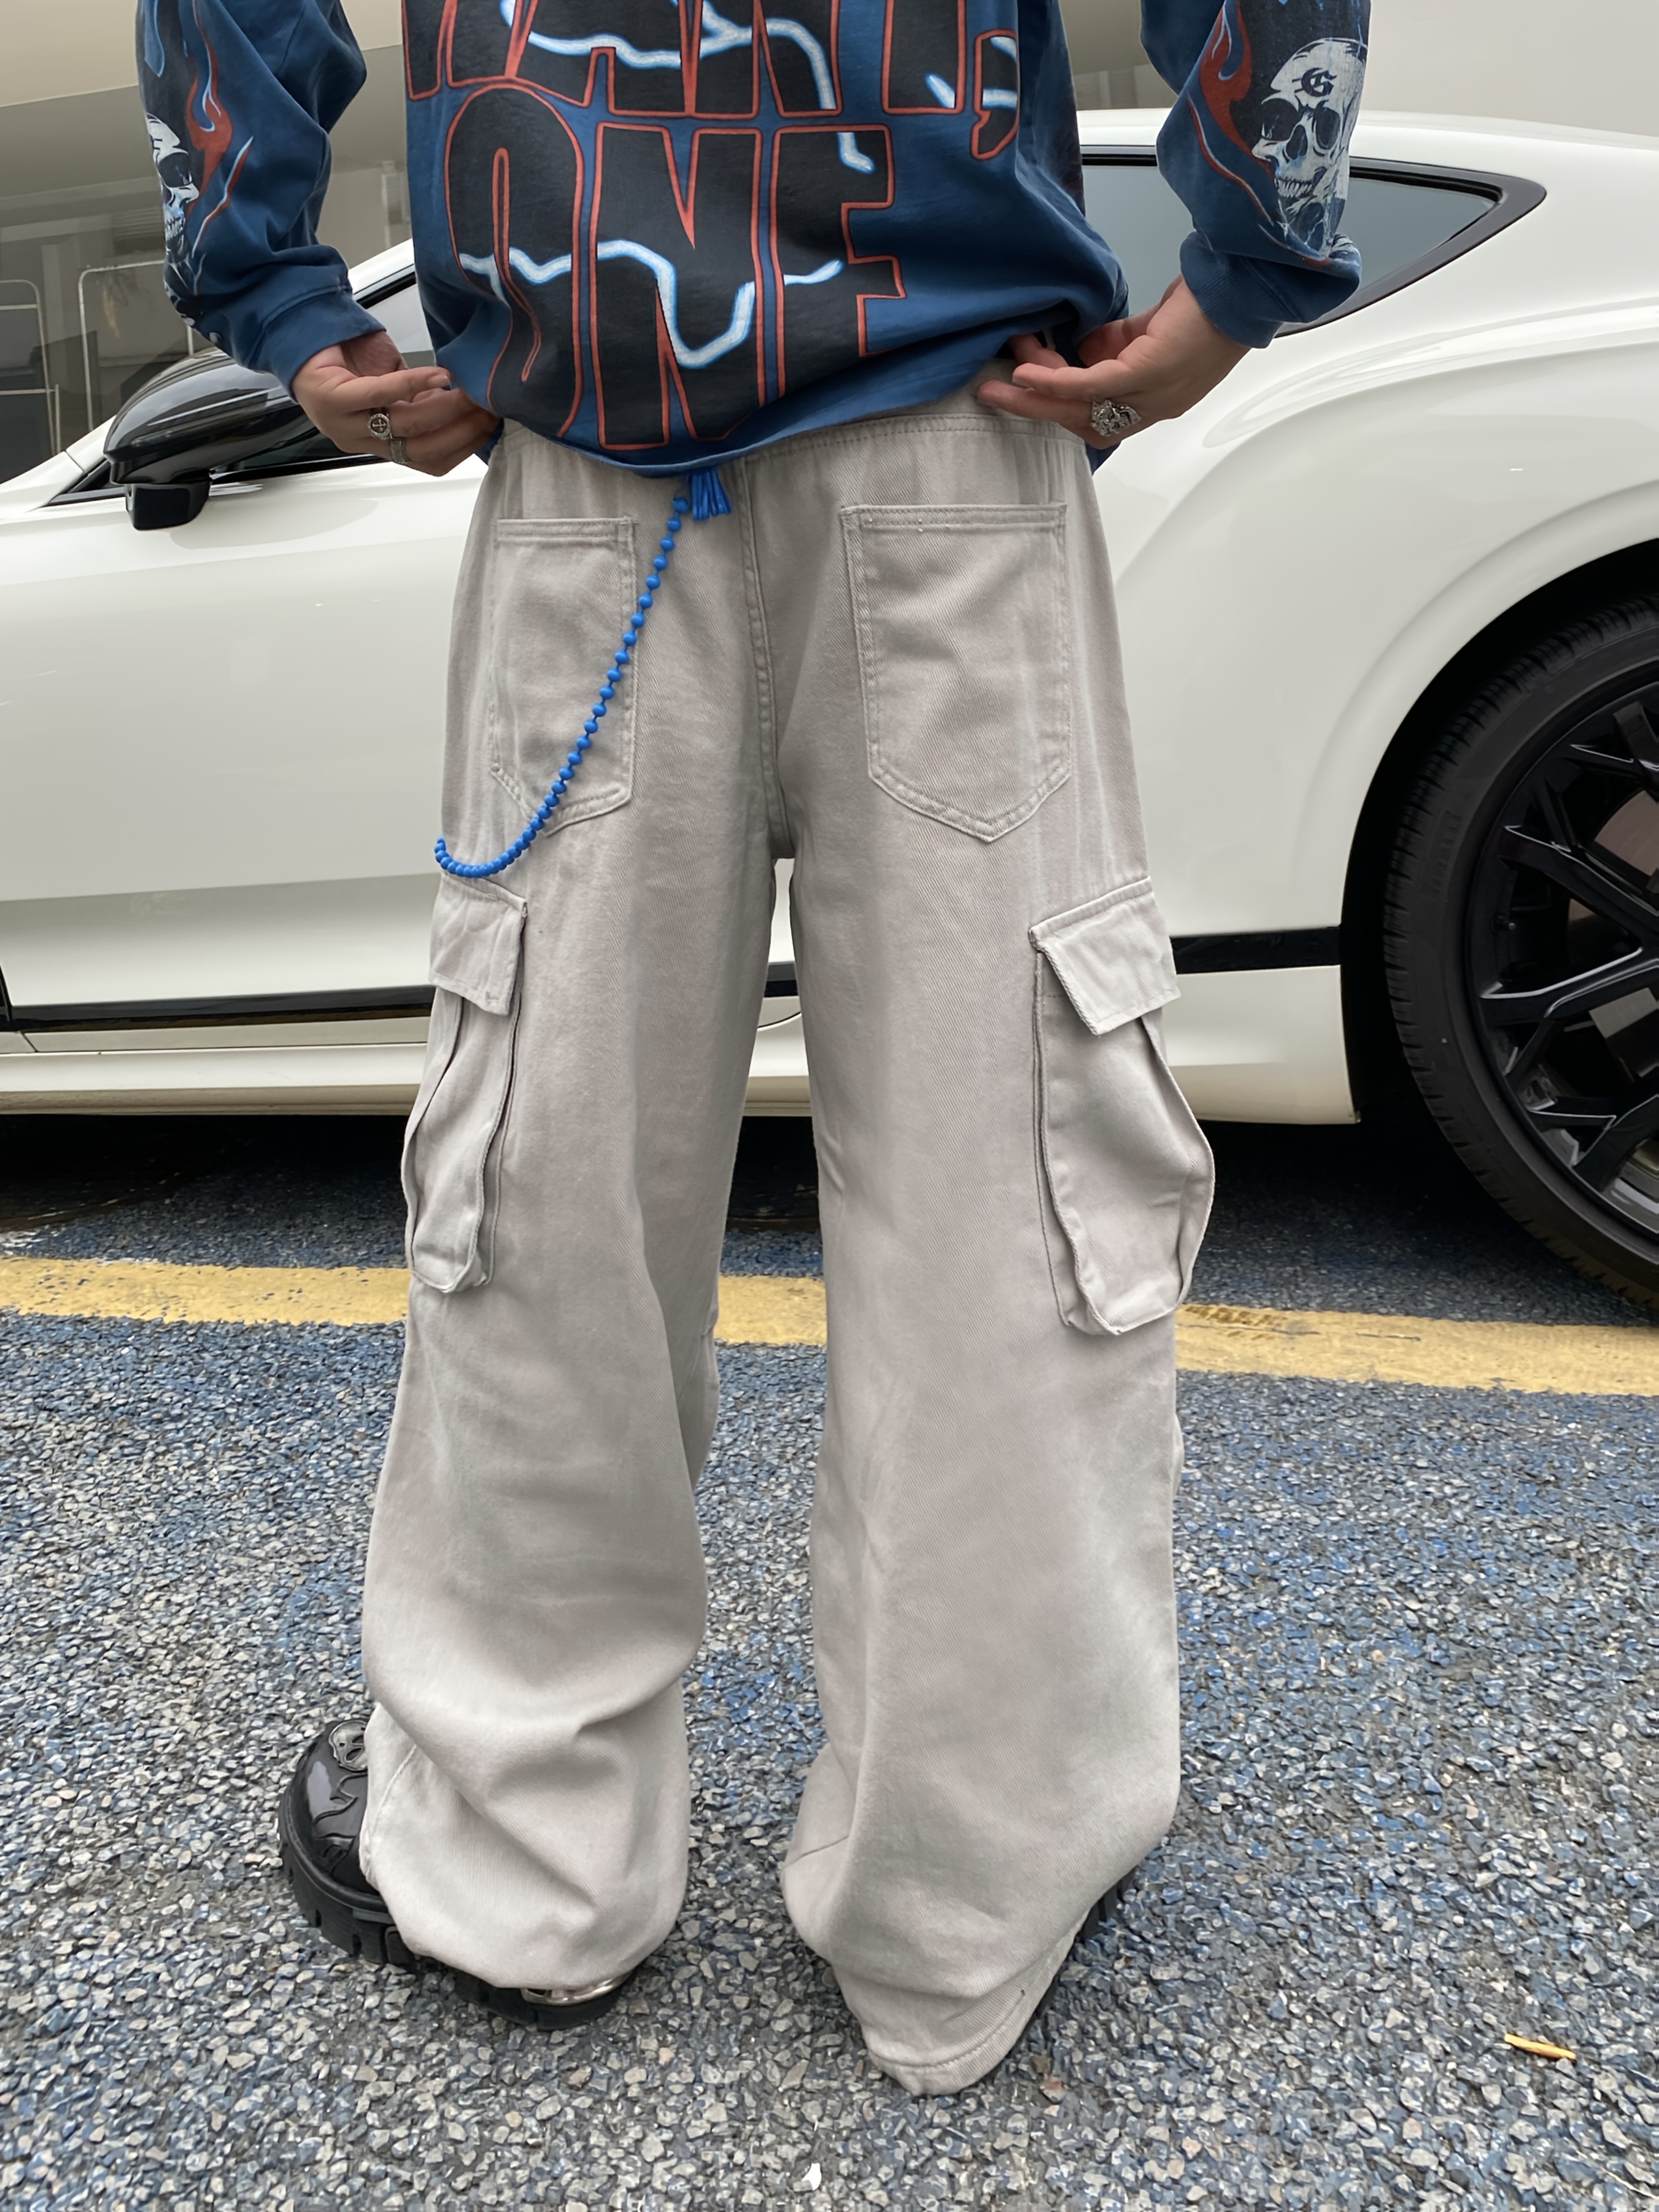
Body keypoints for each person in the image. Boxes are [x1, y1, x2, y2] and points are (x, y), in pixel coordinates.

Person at [139, 0, 1366, 2095]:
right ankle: (972, 1882)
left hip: (596, 450)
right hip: (957, 426)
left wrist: (275, 287)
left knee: (550, 1178)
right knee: (1007, 1178)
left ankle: (526, 1861)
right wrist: (1247, 248)